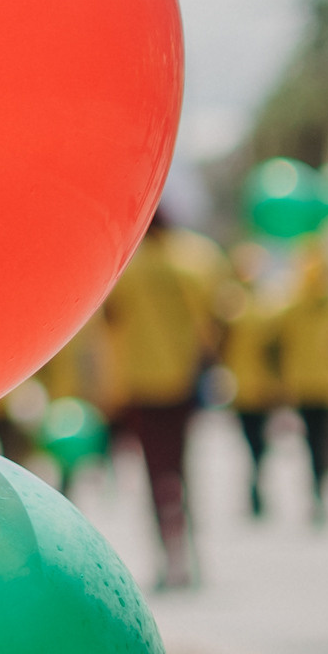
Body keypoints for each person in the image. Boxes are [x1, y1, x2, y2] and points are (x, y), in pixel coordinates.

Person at [102, 204, 223, 589]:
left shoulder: (125, 267)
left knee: (155, 473)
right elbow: (215, 321)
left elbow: (108, 320)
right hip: (183, 383)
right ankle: (186, 550)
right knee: (182, 469)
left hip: (140, 385)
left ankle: (168, 553)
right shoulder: (195, 260)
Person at [271, 239, 328, 523]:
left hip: (305, 383)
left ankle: (317, 487)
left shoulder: (293, 305)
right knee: (324, 441)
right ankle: (321, 486)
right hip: (326, 383)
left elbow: (278, 345)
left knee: (312, 442)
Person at [216, 249, 282, 517]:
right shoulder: (232, 302)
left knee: (260, 440)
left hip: (260, 385)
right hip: (244, 384)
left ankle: (257, 481)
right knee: (251, 440)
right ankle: (254, 482)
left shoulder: (267, 303)